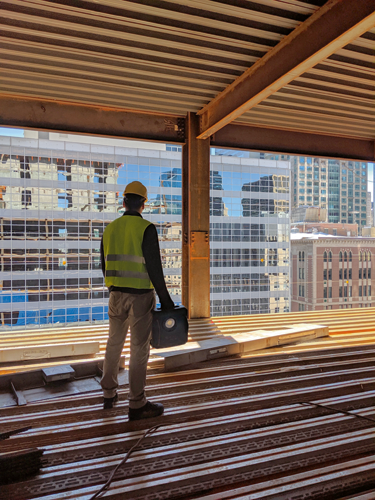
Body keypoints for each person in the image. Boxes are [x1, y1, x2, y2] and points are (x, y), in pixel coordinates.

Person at [100, 181, 174, 420]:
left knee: (114, 343)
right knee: (139, 347)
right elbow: (154, 267)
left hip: (115, 294)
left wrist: (113, 286)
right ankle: (137, 403)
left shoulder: (110, 229)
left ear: (123, 203)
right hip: (140, 295)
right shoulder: (146, 229)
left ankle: (109, 393)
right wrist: (166, 299)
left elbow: (104, 264)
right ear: (144, 204)